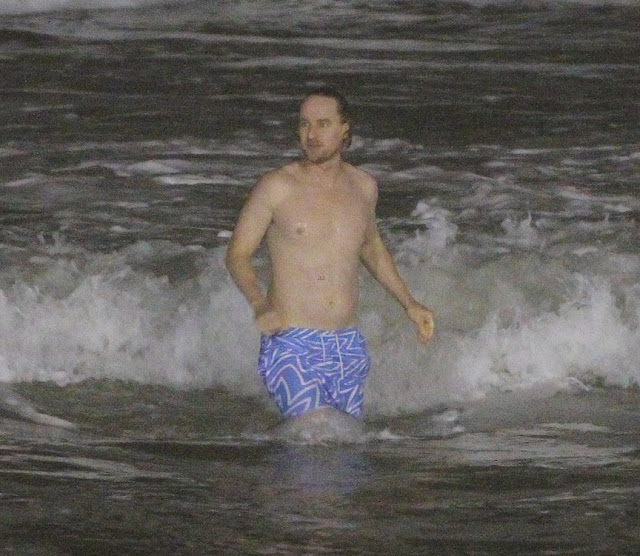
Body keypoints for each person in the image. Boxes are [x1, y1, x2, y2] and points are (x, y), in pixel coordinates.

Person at [225, 87, 434, 419]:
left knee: (343, 442)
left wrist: (410, 304)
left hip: (347, 345)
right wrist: (259, 304)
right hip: (291, 342)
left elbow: (372, 248)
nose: (311, 135)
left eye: (322, 124)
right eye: (304, 124)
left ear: (344, 129)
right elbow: (237, 254)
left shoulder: (363, 187)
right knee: (316, 431)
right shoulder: (276, 187)